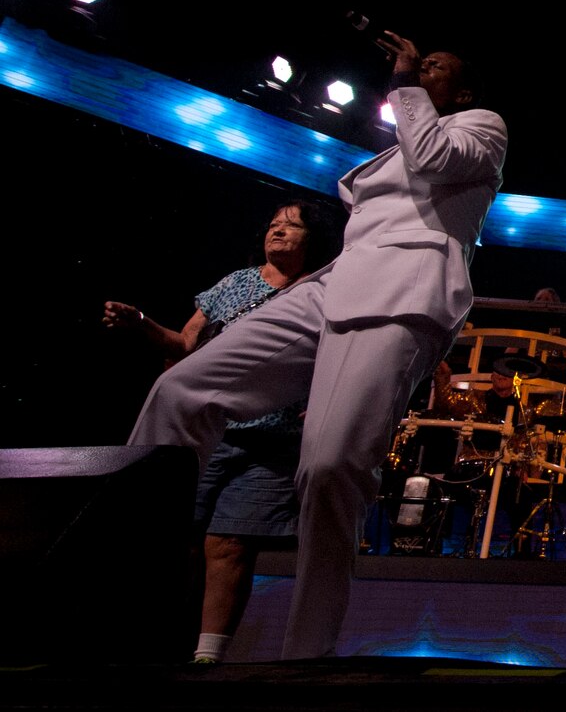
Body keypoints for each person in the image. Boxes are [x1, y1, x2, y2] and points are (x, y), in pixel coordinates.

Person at [127, 33, 506, 658]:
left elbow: (436, 159)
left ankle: (306, 651)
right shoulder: (399, 140)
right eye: (420, 64)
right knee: (181, 388)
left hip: (402, 289)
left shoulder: (481, 125)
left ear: (461, 92)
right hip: (334, 282)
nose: (419, 68)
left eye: (436, 67)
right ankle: (126, 568)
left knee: (329, 469)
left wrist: (407, 81)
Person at [104, 197, 344, 663]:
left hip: (273, 443)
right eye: (273, 224)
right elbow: (184, 343)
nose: (277, 232)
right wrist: (140, 323)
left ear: (314, 239)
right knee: (175, 539)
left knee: (230, 544)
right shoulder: (236, 283)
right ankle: (151, 641)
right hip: (208, 435)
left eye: (292, 227)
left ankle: (208, 658)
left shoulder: (322, 294)